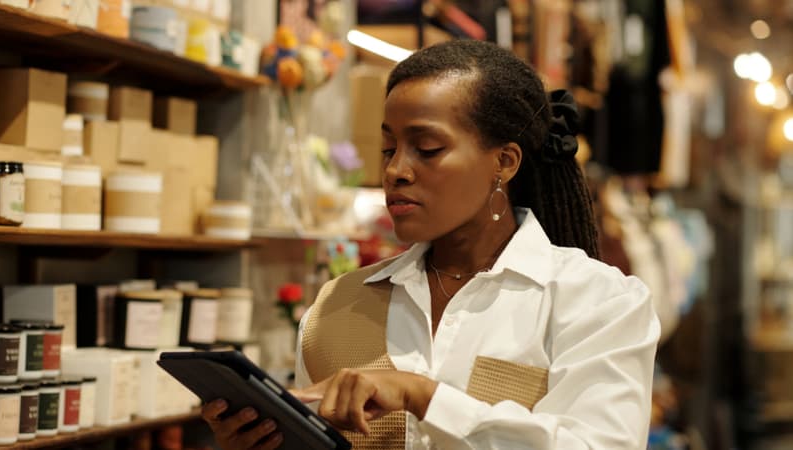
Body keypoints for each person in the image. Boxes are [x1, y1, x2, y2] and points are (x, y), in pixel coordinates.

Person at [202, 39, 660, 450]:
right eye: (388, 149)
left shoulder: (595, 302)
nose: (396, 170)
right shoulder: (337, 307)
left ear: (504, 161)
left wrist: (423, 397)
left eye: (426, 148)